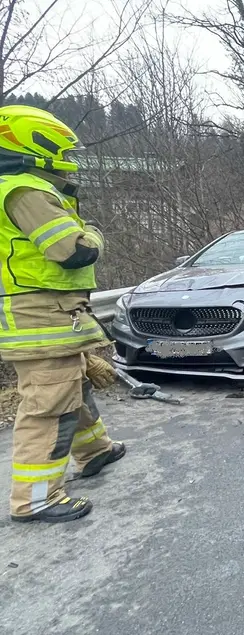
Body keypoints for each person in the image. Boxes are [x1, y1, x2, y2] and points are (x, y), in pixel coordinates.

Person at [0, 104, 124, 524]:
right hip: (37, 319)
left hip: (51, 316)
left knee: (75, 388)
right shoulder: (25, 191)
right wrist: (95, 235)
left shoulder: (20, 188)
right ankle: (36, 498)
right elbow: (74, 250)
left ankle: (95, 452)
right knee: (49, 405)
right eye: (64, 153)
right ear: (35, 146)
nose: (69, 162)